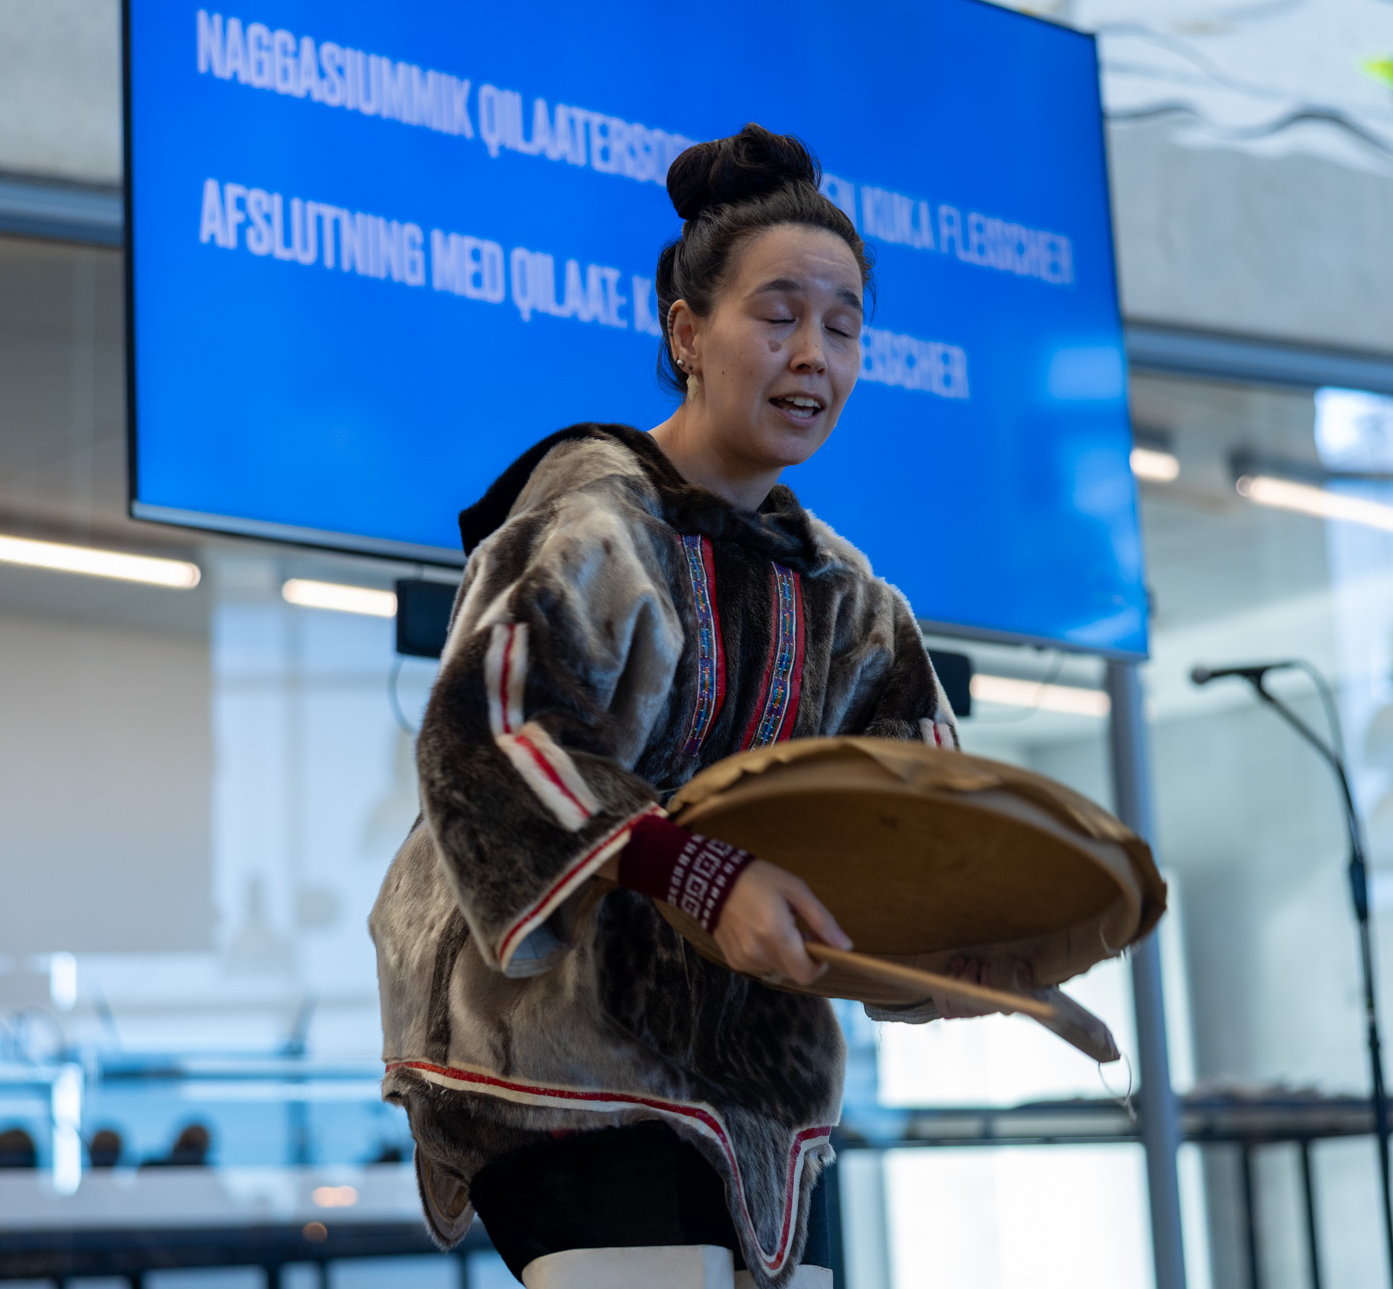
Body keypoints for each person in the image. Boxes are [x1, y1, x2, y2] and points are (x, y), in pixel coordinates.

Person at [370, 124, 980, 1289]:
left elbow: (925, 811)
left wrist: (979, 933)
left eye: (842, 326)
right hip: (558, 1063)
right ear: (686, 334)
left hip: (757, 1086)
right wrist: (695, 872)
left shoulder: (853, 600)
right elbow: (490, 736)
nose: (813, 353)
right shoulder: (587, 525)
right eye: (778, 315)